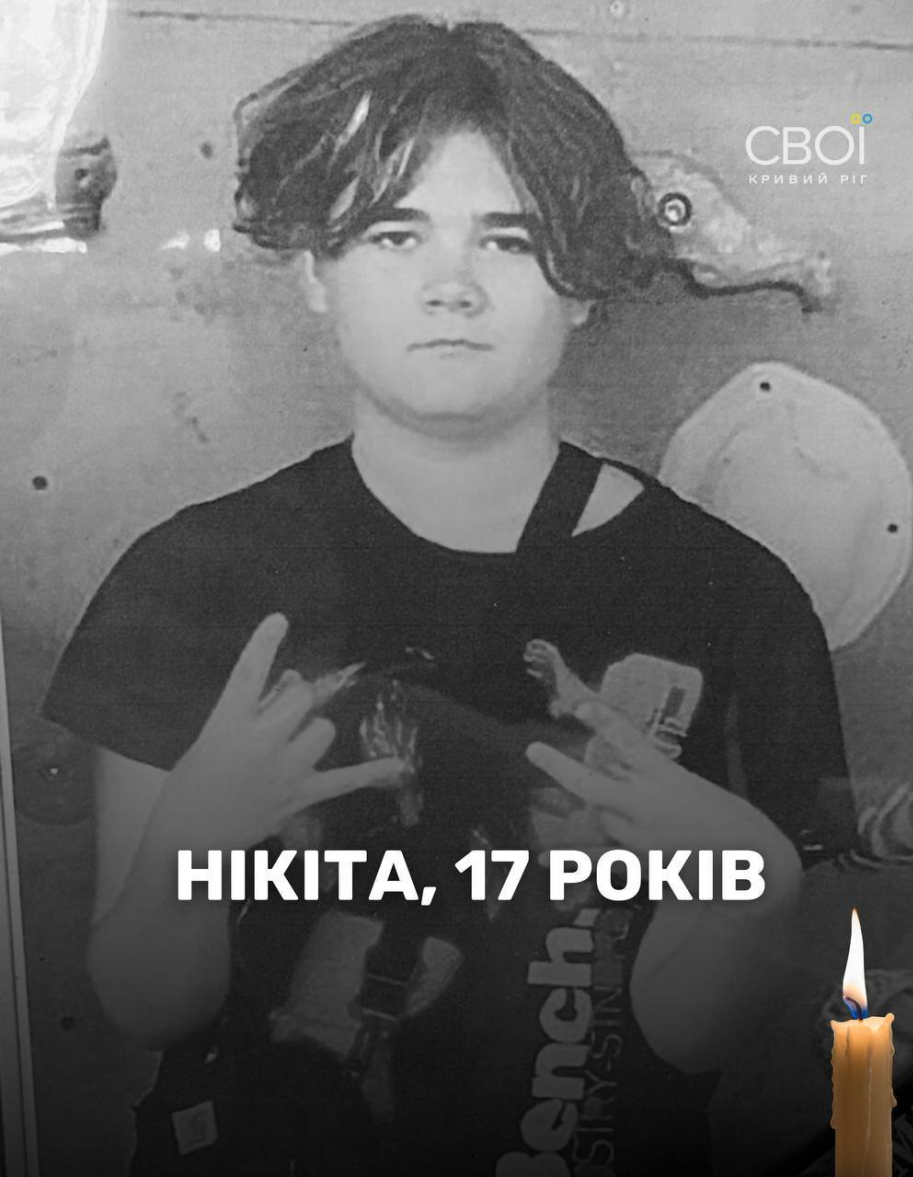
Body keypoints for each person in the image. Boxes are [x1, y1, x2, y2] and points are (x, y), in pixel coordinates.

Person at [43, 15, 856, 1176]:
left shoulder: (732, 601)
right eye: (393, 232)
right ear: (313, 271)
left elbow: (695, 1039)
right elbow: (145, 1004)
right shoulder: (192, 575)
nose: (451, 287)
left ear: (582, 284)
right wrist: (189, 844)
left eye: (509, 240)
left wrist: (748, 886)